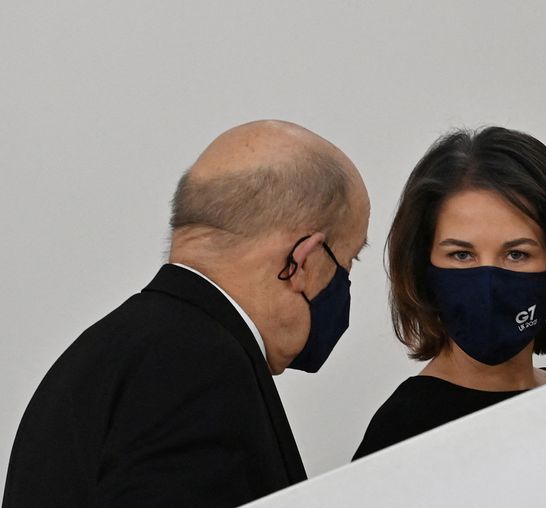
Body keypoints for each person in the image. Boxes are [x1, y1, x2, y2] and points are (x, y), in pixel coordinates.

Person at [3, 120, 370, 507]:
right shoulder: (198, 369)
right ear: (304, 261)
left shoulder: (97, 354)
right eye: (347, 260)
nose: (344, 283)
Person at [353, 126, 546, 459]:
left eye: (517, 254)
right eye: (461, 255)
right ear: (423, 266)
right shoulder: (401, 434)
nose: (489, 282)